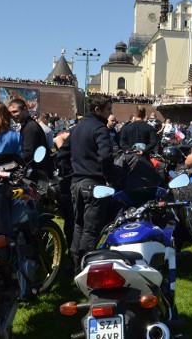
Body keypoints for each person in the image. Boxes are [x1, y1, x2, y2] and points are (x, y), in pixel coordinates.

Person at [57, 94, 115, 272]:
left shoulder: (77, 128)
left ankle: (75, 266)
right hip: (93, 183)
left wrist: (71, 172)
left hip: (77, 183)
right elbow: (106, 156)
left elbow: (61, 154)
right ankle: (84, 269)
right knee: (90, 229)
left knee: (78, 226)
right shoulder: (100, 128)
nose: (110, 114)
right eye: (108, 110)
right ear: (98, 110)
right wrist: (109, 178)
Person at [7, 98, 53, 176]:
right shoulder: (28, 125)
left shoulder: (30, 127)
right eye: (10, 113)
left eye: (15, 111)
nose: (13, 115)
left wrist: (13, 166)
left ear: (25, 109)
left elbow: (29, 154)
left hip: (38, 174)